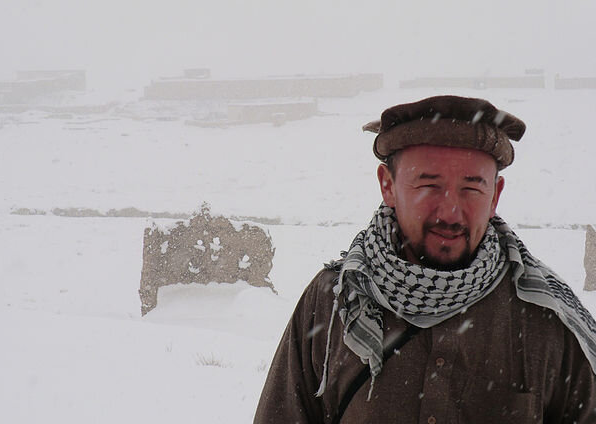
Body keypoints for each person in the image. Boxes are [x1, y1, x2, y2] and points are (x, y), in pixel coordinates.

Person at [254, 95, 596, 423]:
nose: (449, 211)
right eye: (429, 185)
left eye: (472, 188)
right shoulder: (333, 303)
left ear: (495, 195)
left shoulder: (547, 318)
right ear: (388, 185)